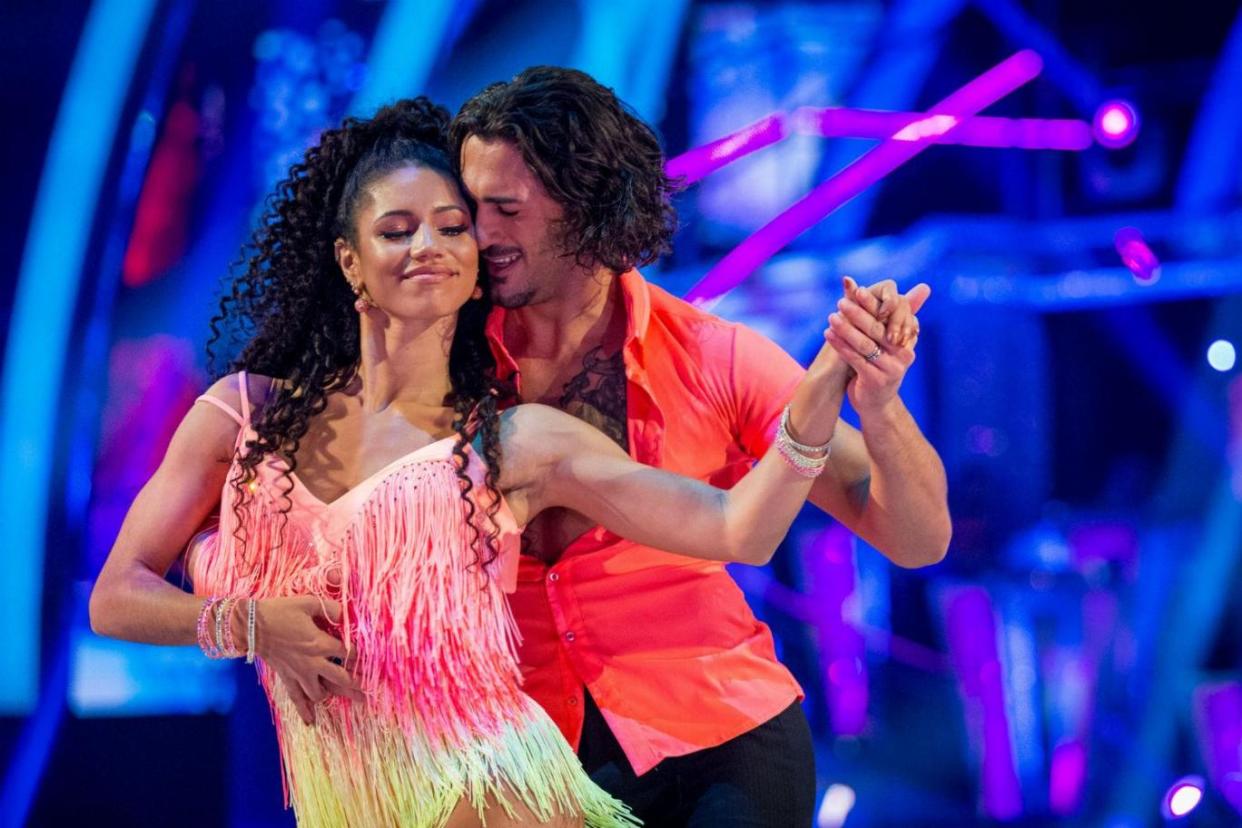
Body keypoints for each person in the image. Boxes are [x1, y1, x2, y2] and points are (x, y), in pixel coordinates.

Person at [88, 98, 864, 828]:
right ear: (350, 262)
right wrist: (250, 625)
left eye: (452, 228)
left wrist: (822, 394)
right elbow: (117, 596)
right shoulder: (243, 414)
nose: (427, 246)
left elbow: (738, 528)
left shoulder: (513, 442)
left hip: (506, 798)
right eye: (396, 230)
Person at [448, 67, 952, 826]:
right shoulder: (440, 361)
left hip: (719, 737)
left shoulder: (714, 356)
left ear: (586, 206)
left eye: (506, 209)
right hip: (523, 765)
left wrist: (878, 405)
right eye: (472, 207)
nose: (480, 234)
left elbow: (918, 539)